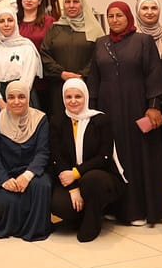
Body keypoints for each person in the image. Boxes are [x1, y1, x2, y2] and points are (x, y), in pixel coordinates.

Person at [88, 1, 162, 225]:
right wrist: (92, 112)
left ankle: (139, 210)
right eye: (111, 16)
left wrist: (153, 105)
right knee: (113, 156)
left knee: (138, 156)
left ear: (128, 17)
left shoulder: (143, 41)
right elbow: (94, 79)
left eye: (119, 15)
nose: (115, 20)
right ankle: (115, 208)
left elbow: (154, 74)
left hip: (137, 107)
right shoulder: (100, 43)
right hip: (108, 109)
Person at [49, 79, 126, 242]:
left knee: (92, 180)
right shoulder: (57, 121)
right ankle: (79, 217)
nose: (73, 101)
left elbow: (104, 156)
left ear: (86, 97)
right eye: (68, 97)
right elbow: (57, 156)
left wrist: (76, 173)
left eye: (78, 96)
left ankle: (92, 222)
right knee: (59, 204)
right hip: (69, 178)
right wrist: (72, 188)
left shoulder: (100, 120)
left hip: (100, 176)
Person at [0, 81, 51, 241]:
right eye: (11, 97)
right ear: (6, 99)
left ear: (28, 98)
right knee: (9, 202)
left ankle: (35, 230)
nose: (16, 101)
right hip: (7, 173)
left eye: (21, 97)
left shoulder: (40, 119)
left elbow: (43, 152)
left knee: (42, 186)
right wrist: (4, 180)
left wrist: (27, 176)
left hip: (33, 172)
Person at [39, 0, 102, 117]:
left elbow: (98, 55)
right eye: (67, 2)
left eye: (75, 2)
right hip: (58, 86)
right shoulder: (55, 28)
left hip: (86, 86)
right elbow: (45, 53)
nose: (71, 6)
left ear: (82, 4)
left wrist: (82, 75)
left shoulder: (93, 28)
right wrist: (61, 73)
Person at [0, 8, 42, 109]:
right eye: (2, 21)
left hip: (23, 96)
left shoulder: (27, 47)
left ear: (15, 23)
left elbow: (27, 78)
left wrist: (16, 99)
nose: (6, 24)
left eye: (10, 20)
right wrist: (0, 101)